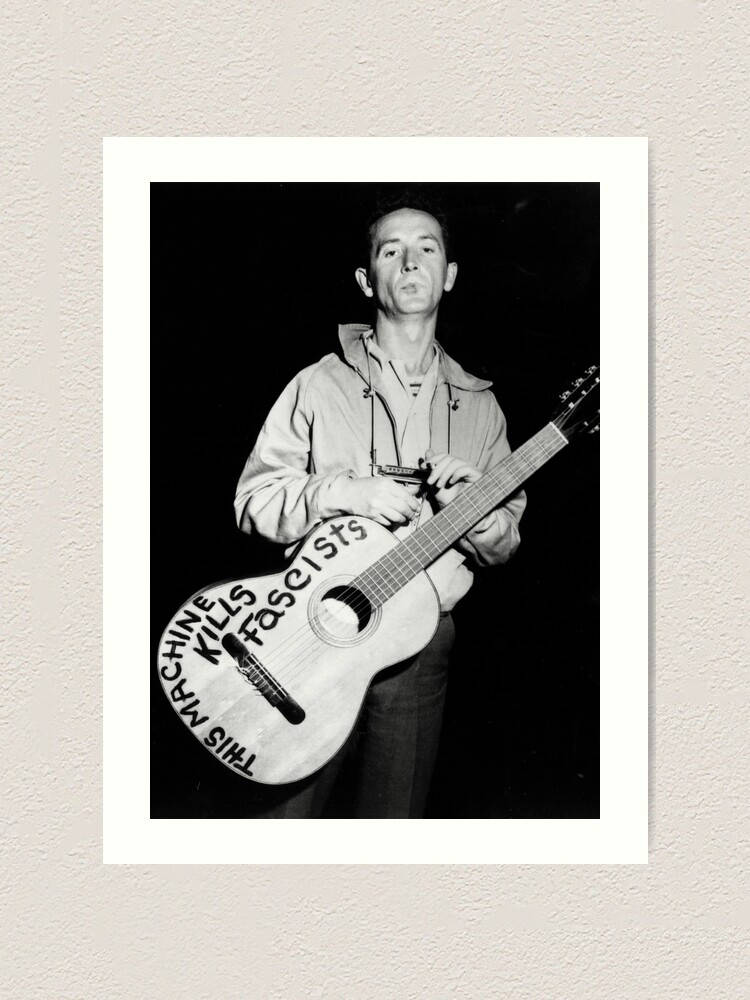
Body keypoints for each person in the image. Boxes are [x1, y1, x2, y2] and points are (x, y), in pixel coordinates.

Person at [234, 196, 527, 817]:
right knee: (287, 821)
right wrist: (338, 492)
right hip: (311, 630)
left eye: (427, 247)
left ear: (449, 274)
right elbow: (252, 500)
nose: (411, 260)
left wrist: (471, 509)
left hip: (422, 649)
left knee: (391, 826)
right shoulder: (317, 383)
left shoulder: (483, 408)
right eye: (391, 250)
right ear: (369, 280)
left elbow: (505, 543)